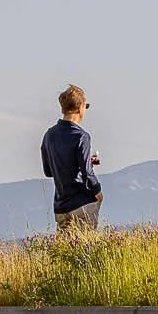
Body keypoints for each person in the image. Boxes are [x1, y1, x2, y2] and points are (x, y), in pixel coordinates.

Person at [42, 84, 103, 234]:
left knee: (64, 251)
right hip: (82, 202)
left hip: (61, 205)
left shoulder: (49, 135)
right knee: (85, 249)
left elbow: (48, 171)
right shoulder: (82, 136)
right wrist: (97, 190)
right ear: (80, 108)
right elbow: (87, 173)